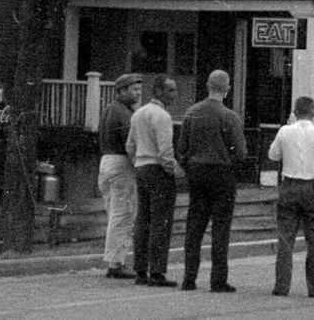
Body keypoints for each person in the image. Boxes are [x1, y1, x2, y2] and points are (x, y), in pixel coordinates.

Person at [176, 69, 247, 292]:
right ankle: (218, 279)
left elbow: (182, 148)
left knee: (194, 226)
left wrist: (189, 165)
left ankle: (189, 277)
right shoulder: (229, 116)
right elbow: (240, 151)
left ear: (207, 86)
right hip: (222, 172)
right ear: (227, 89)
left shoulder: (192, 112)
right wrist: (231, 161)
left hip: (197, 171)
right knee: (221, 227)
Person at [267, 95, 314, 299]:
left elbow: (273, 155)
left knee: (285, 238)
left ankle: (281, 286)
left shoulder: (284, 131)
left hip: (290, 184)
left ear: (294, 112)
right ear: (313, 112)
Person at [125, 75, 178, 288]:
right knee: (161, 221)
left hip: (141, 166)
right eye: (171, 90)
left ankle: (140, 269)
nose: (174, 94)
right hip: (158, 169)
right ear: (159, 92)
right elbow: (165, 150)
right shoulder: (162, 116)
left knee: (143, 219)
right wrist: (173, 169)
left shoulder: (138, 114)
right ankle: (156, 271)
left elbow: (130, 145)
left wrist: (137, 161)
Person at [96, 73, 143, 280]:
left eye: (139, 89)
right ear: (121, 91)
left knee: (114, 213)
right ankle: (116, 263)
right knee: (123, 214)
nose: (138, 93)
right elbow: (130, 144)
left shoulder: (109, 109)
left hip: (106, 161)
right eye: (134, 89)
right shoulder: (124, 113)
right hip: (121, 163)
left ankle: (116, 260)